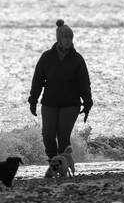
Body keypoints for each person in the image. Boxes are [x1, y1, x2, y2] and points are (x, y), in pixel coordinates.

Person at [28, 19, 94, 159]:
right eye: (66, 37)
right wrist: (33, 100)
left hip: (70, 104)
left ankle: (62, 165)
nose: (68, 41)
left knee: (63, 137)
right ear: (59, 38)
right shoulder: (47, 57)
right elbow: (37, 80)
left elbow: (84, 83)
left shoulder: (77, 59)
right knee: (48, 135)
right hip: (49, 103)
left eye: (70, 38)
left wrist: (87, 102)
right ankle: (54, 162)